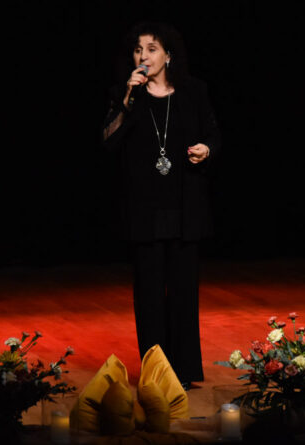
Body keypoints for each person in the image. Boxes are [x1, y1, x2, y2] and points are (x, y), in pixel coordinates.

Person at [102, 23, 221, 387]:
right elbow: (108, 141)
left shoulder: (193, 91)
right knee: (150, 295)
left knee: (184, 292)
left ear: (168, 55)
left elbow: (213, 134)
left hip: (185, 206)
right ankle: (156, 372)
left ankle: (183, 371)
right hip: (145, 209)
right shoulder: (126, 95)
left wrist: (207, 149)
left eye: (151, 49)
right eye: (138, 50)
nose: (143, 56)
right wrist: (127, 99)